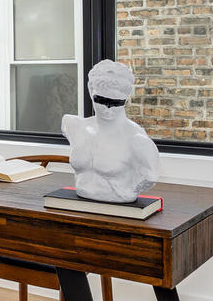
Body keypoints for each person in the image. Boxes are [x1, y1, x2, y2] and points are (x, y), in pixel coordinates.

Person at [61, 60, 159, 203]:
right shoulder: (73, 125)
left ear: (126, 98)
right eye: (100, 100)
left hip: (119, 207)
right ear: (90, 89)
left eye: (116, 103)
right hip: (79, 204)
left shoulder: (136, 139)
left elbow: (150, 177)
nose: (107, 108)